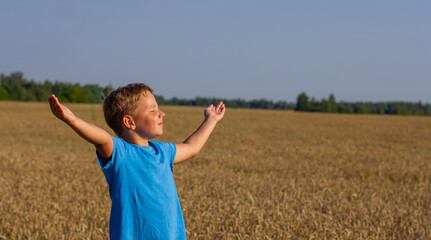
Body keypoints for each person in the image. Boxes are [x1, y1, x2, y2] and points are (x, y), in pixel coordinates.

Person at [48, 83, 225, 239]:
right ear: (129, 122)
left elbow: (192, 148)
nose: (162, 114)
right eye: (153, 110)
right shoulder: (121, 153)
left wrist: (211, 120)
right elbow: (102, 138)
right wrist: (72, 120)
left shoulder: (162, 151)